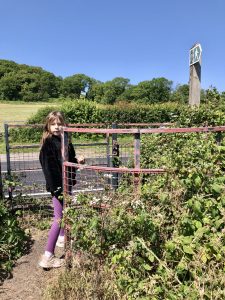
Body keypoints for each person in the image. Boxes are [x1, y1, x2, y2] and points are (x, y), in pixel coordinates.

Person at [38, 111, 84, 268]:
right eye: (53, 124)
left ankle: (62, 237)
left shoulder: (66, 140)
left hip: (67, 184)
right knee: (59, 219)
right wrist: (58, 190)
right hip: (59, 187)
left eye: (59, 123)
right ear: (48, 126)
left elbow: (69, 162)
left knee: (64, 214)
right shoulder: (49, 144)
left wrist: (77, 161)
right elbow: (49, 170)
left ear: (64, 124)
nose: (57, 127)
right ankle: (48, 256)